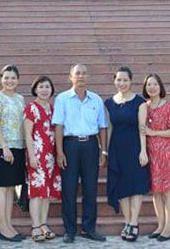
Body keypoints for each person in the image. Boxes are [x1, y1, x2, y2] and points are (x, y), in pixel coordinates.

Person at [52, 63, 108, 243]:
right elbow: (58, 126)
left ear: (88, 77)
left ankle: (89, 228)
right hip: (70, 145)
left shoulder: (96, 99)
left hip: (91, 146)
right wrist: (59, 152)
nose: (81, 76)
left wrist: (103, 150)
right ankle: (70, 230)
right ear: (71, 77)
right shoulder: (62, 99)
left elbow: (102, 127)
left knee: (90, 188)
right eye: (78, 74)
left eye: (84, 73)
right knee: (69, 189)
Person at [104, 66, 150, 242]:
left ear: (131, 81)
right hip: (117, 148)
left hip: (135, 147)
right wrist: (106, 151)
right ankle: (127, 222)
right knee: (121, 186)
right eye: (119, 80)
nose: (122, 83)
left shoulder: (139, 102)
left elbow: (142, 128)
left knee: (136, 185)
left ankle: (134, 222)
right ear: (114, 81)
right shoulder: (108, 102)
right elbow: (109, 128)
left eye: (125, 80)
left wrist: (143, 151)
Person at [138, 73, 170, 242]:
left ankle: (169, 227)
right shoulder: (144, 107)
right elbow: (141, 130)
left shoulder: (168, 106)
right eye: (149, 85)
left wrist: (154, 133)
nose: (152, 87)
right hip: (151, 154)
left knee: (167, 191)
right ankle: (160, 225)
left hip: (165, 153)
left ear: (160, 86)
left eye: (155, 84)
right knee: (156, 192)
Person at [0, 64, 27, 242]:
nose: (9, 81)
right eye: (6, 78)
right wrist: (4, 146)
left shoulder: (20, 98)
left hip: (19, 147)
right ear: (1, 79)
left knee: (12, 187)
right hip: (4, 147)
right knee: (2, 187)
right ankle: (2, 226)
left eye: (13, 78)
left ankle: (9, 224)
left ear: (17, 80)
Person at [24, 75, 61, 243]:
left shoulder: (53, 108)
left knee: (46, 192)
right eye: (41, 87)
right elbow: (27, 133)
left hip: (51, 156)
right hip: (37, 154)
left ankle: (44, 223)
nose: (44, 90)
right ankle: (35, 226)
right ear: (35, 89)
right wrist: (31, 155)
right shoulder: (31, 108)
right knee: (36, 191)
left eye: (47, 87)